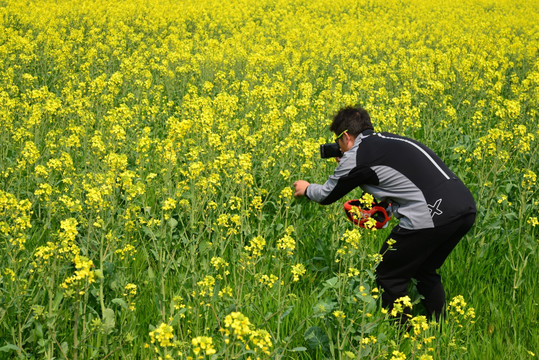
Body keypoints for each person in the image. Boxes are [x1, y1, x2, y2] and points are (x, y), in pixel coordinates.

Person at [293, 106, 476, 321]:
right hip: (464, 206)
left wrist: (306, 189)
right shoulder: (389, 140)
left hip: (431, 213)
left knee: (389, 275)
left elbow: (327, 195)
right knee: (424, 270)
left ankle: (404, 337)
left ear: (345, 137)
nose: (339, 149)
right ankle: (440, 327)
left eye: (338, 142)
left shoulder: (356, 156)